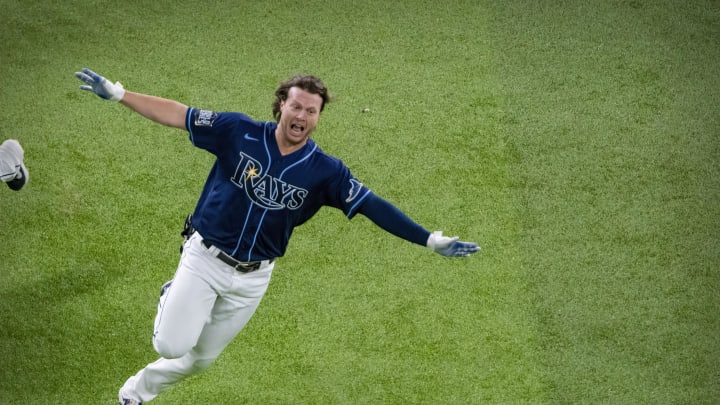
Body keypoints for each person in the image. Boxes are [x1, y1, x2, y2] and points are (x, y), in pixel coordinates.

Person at [75, 68, 480, 404]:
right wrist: (119, 94)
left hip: (253, 279)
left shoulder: (325, 171)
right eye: (296, 105)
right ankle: (173, 292)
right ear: (281, 104)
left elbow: (373, 206)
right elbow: (180, 114)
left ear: (318, 117)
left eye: (312, 110)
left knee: (200, 360)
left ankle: (135, 393)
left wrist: (428, 239)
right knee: (170, 346)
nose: (302, 114)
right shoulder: (238, 131)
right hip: (205, 257)